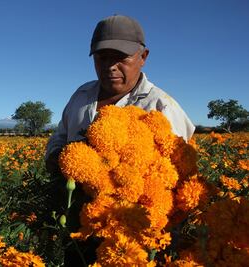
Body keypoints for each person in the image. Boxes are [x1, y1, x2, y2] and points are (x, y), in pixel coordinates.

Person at [46, 15, 195, 175]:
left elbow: (177, 170)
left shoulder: (161, 105)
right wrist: (58, 158)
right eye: (102, 58)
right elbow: (60, 137)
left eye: (121, 57)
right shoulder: (81, 95)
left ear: (143, 57)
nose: (110, 66)